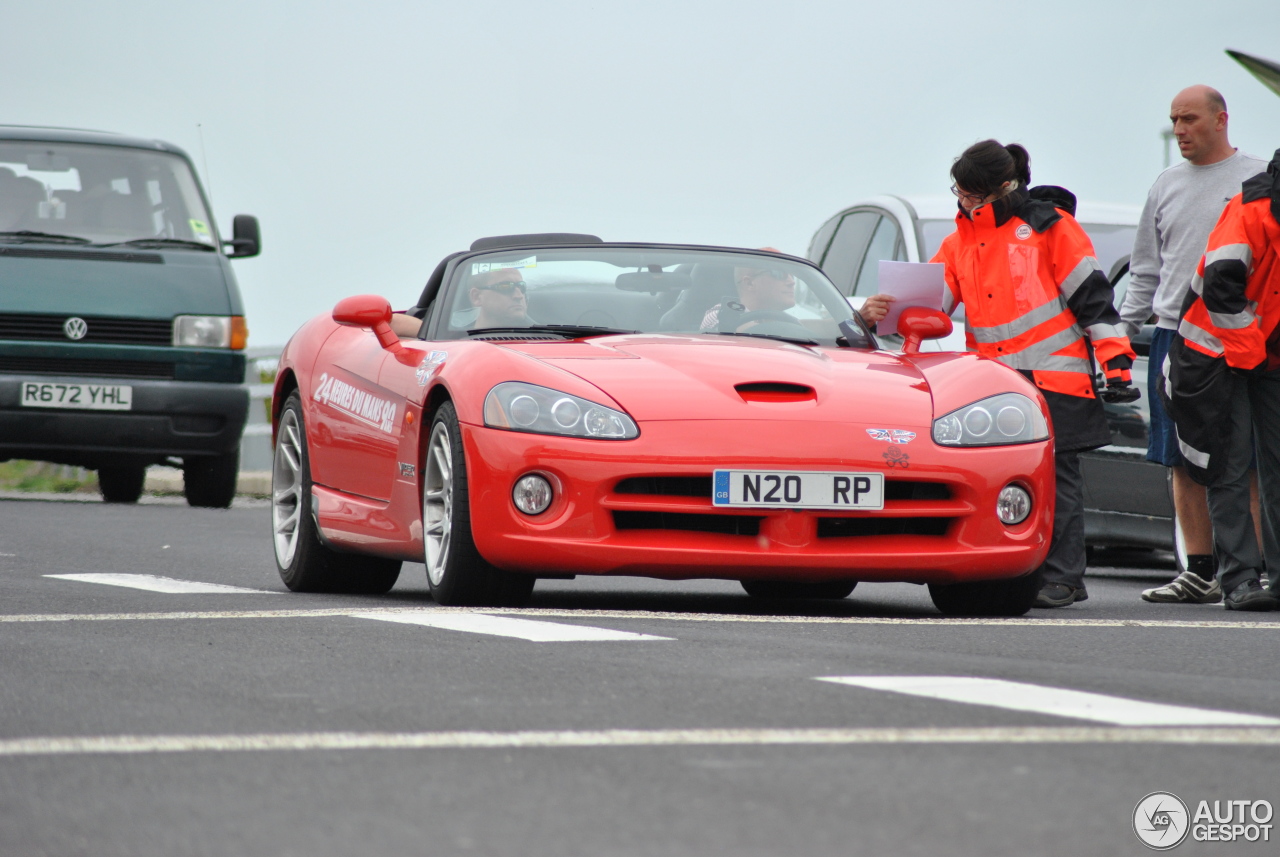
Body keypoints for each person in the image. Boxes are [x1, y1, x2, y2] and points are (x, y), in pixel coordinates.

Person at [931, 140, 1137, 608]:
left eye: (975, 197)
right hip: (996, 384)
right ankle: (1010, 569)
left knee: (1058, 478)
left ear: (1005, 186)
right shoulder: (957, 242)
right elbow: (928, 311)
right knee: (1001, 478)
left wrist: (1117, 363)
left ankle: (1063, 577)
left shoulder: (1050, 227)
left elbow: (1093, 299)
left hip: (1054, 377)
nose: (966, 204)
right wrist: (883, 318)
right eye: (960, 195)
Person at [1118, 86, 1268, 604]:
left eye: (1189, 119)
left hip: (1241, 337)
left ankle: (1248, 569)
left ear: (1221, 120)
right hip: (1174, 339)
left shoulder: (1256, 180)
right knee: (1182, 458)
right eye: (1174, 120)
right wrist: (1120, 334)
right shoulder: (1166, 185)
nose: (1180, 129)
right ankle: (1199, 569)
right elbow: (1146, 271)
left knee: (1245, 458)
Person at [1163, 149, 1280, 611]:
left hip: (1266, 355)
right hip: (1216, 354)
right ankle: (1239, 580)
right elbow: (1221, 288)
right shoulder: (1250, 209)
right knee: (1230, 467)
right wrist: (1250, 354)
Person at [699, 251, 893, 331]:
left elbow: (824, 327)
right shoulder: (719, 316)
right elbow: (746, 333)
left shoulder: (780, 325)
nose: (791, 282)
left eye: (792, 275)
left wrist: (859, 320)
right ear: (749, 283)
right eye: (779, 273)